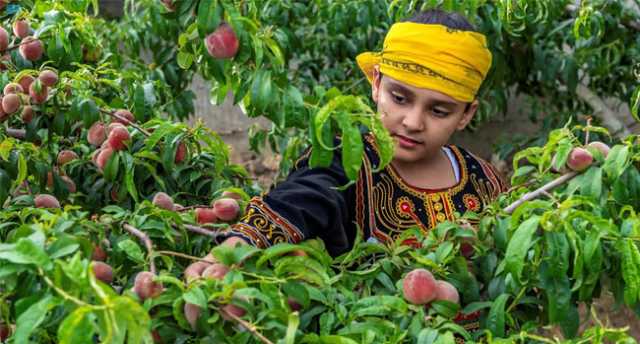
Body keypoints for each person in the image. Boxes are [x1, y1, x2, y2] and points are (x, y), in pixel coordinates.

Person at [186, 8, 507, 279]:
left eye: (439, 110)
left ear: (466, 114)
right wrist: (243, 241)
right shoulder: (350, 160)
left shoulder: (483, 180)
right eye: (399, 98)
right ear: (376, 84)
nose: (413, 121)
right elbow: (306, 196)